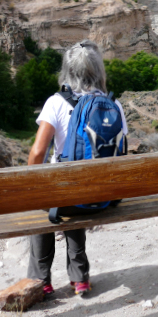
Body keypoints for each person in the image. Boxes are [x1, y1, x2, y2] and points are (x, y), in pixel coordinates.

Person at [27, 40, 128, 296]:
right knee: (76, 190)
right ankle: (80, 277)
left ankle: (41, 279)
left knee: (49, 199)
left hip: (69, 195)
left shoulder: (56, 103)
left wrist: (30, 186)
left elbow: (38, 152)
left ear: (67, 71)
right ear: (99, 71)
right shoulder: (113, 106)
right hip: (104, 196)